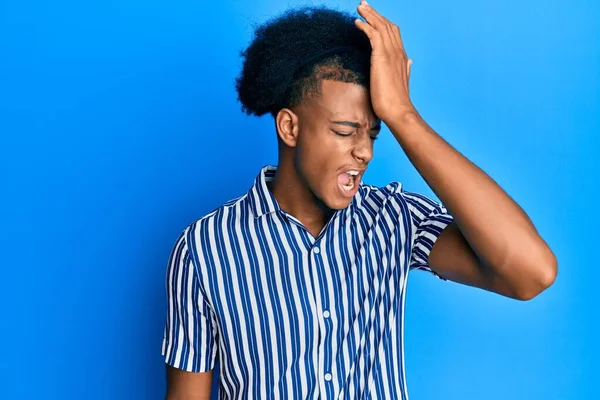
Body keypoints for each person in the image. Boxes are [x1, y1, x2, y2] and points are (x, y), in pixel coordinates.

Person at [161, 2, 557, 399]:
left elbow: (531, 272)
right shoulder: (203, 248)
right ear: (290, 127)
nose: (365, 152)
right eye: (345, 130)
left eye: (373, 134)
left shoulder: (394, 218)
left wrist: (403, 115)